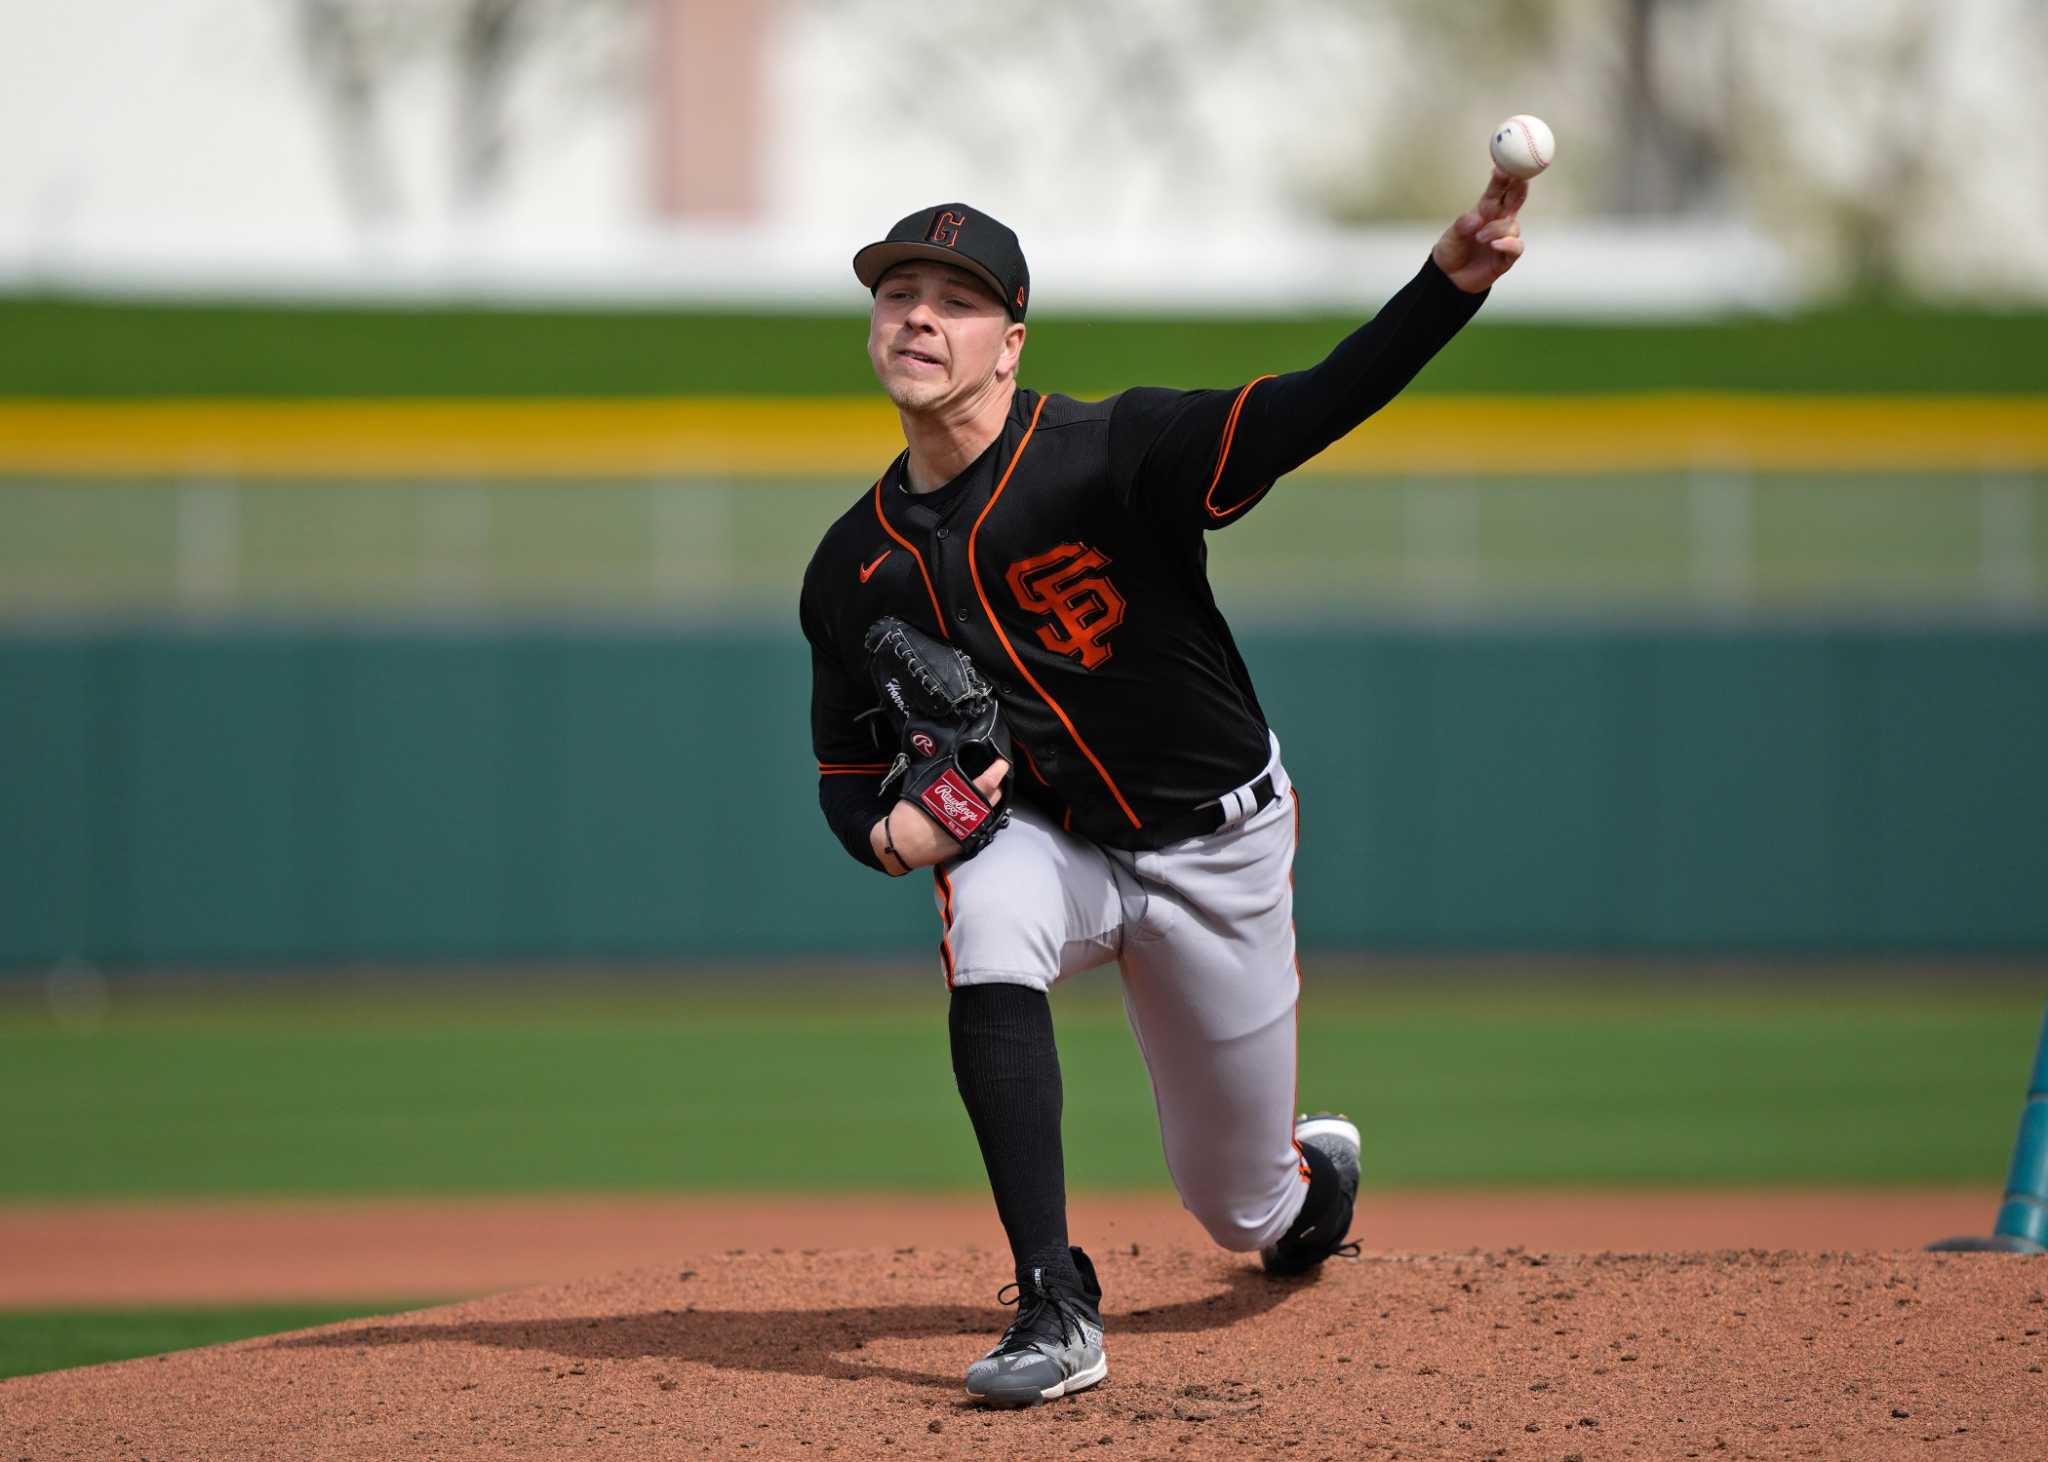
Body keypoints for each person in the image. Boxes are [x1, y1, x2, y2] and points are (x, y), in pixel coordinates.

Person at [798, 172, 1525, 1407]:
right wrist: (891, 834)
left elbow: (1308, 407)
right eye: (898, 293)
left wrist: (1444, 287)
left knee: (1237, 1205)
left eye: (955, 302)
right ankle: (1052, 1299)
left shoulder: (1109, 452)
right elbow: (844, 773)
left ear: (1010, 344)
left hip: (1215, 849)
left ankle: (1313, 1193)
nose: (918, 317)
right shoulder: (852, 564)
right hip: (1057, 838)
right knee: (985, 917)